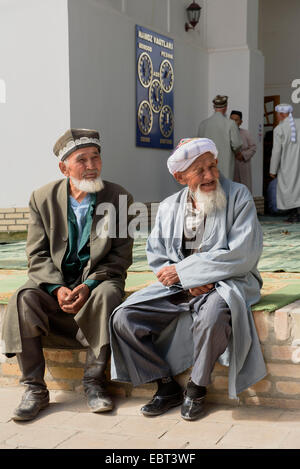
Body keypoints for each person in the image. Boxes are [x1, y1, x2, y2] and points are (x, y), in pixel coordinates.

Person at [110, 137, 266, 421]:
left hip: (227, 282)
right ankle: (165, 384)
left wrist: (189, 273)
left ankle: (197, 386)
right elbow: (157, 256)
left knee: (214, 314)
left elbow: (243, 254)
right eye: (200, 170)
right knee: (124, 318)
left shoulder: (239, 195)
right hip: (181, 287)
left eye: (212, 166)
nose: (210, 176)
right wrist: (186, 280)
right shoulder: (169, 207)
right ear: (181, 177)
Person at [1, 128, 133, 421]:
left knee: (110, 294)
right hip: (54, 286)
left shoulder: (119, 196)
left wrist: (88, 285)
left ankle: (94, 383)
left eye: (95, 158)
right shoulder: (42, 198)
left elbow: (121, 256)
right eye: (82, 160)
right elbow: (37, 255)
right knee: (23, 298)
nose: (91, 166)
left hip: (97, 283)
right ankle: (34, 389)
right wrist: (55, 288)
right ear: (64, 167)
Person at [197, 95, 242, 180]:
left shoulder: (203, 124)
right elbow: (237, 144)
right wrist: (237, 152)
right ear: (225, 107)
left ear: (214, 107)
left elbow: (198, 147)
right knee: (224, 190)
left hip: (207, 166)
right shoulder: (230, 124)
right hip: (225, 167)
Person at [269, 103, 300, 223]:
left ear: (281, 114)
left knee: (290, 188)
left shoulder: (279, 129)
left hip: (288, 164)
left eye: (277, 114)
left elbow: (276, 151)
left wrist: (273, 170)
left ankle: (294, 214)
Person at [230, 110, 256, 192]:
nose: (233, 122)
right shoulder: (225, 133)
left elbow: (253, 147)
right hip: (231, 165)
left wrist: (243, 155)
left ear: (241, 122)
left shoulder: (246, 133)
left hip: (243, 164)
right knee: (231, 189)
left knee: (244, 189)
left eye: (236, 120)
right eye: (231, 119)